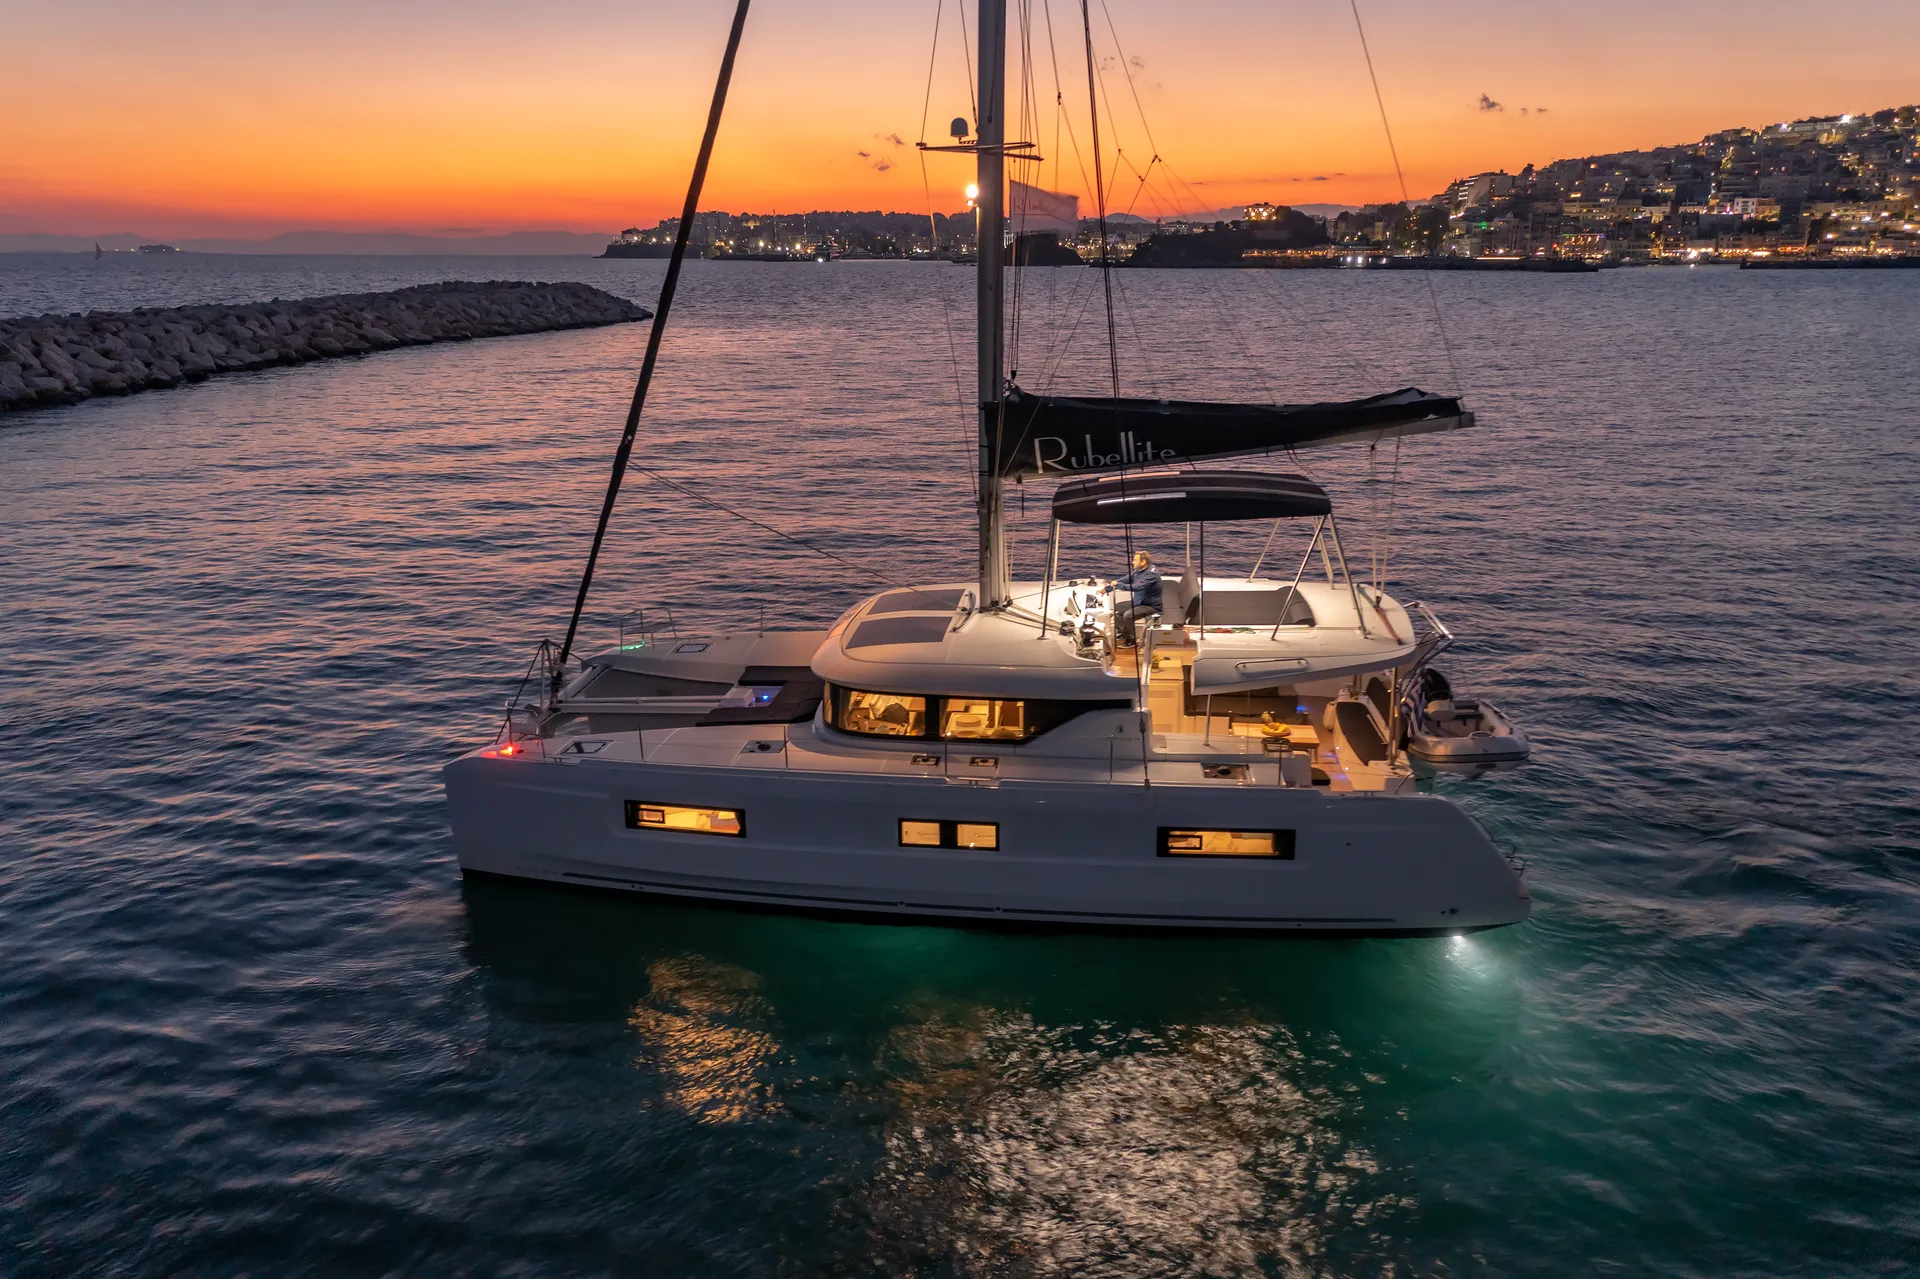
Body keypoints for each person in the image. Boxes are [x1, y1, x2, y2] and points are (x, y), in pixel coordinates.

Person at [1112, 550, 1162, 647]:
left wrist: (1118, 585)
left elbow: (1138, 587)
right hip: (1138, 602)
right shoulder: (1138, 571)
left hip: (1150, 605)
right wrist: (1107, 588)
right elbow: (1125, 579)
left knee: (1128, 615)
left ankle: (1130, 641)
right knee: (1117, 609)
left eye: (1135, 560)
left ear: (1143, 562)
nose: (1132, 562)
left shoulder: (1151, 574)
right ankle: (1124, 634)